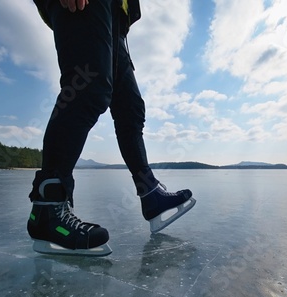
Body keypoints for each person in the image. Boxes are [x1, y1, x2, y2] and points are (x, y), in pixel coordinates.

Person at [27, 0, 196, 256]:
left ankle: (150, 193)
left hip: (114, 18)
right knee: (87, 88)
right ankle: (47, 209)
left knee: (131, 109)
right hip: (83, 6)